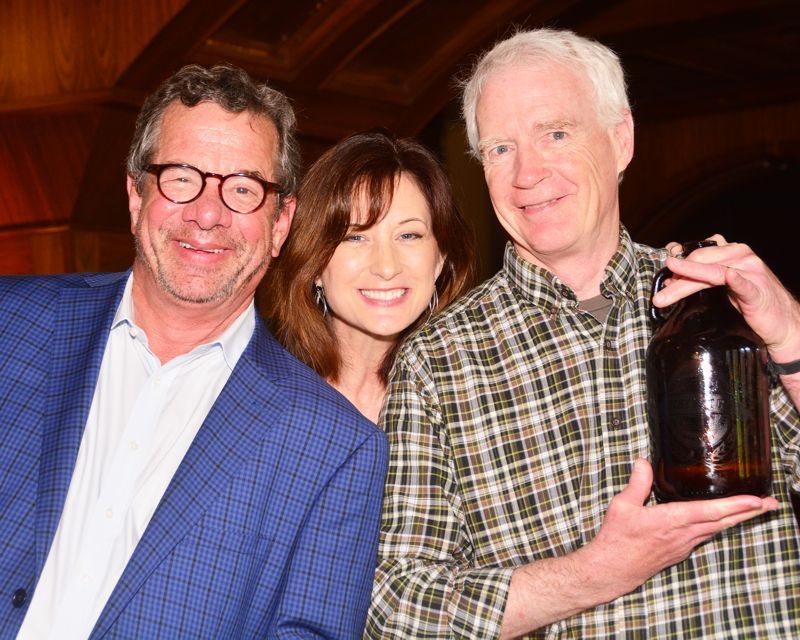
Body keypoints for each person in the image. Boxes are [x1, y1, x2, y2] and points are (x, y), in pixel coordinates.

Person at [366, 28, 800, 638]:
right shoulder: (438, 361)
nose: (527, 173)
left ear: (621, 140)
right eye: (500, 149)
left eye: (556, 134)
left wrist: (791, 334)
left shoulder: (725, 303)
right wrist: (596, 573)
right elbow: (394, 609)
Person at [0, 64, 388, 639]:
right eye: (181, 178)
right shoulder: (10, 325)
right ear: (136, 195)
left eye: (243, 189)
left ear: (281, 223)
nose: (207, 214)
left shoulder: (333, 447)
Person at [263, 130, 475, 422]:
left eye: (408, 235)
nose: (386, 267)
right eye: (356, 237)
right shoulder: (259, 387)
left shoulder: (469, 398)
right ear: (314, 263)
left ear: (441, 258)